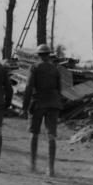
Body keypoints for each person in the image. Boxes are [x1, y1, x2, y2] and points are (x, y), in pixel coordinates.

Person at [22, 43, 63, 177]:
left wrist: (25, 106)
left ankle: (33, 165)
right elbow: (59, 89)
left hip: (38, 102)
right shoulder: (55, 68)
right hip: (53, 103)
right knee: (51, 136)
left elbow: (28, 87)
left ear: (38, 55)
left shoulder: (34, 67)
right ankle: (50, 168)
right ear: (49, 55)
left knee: (34, 134)